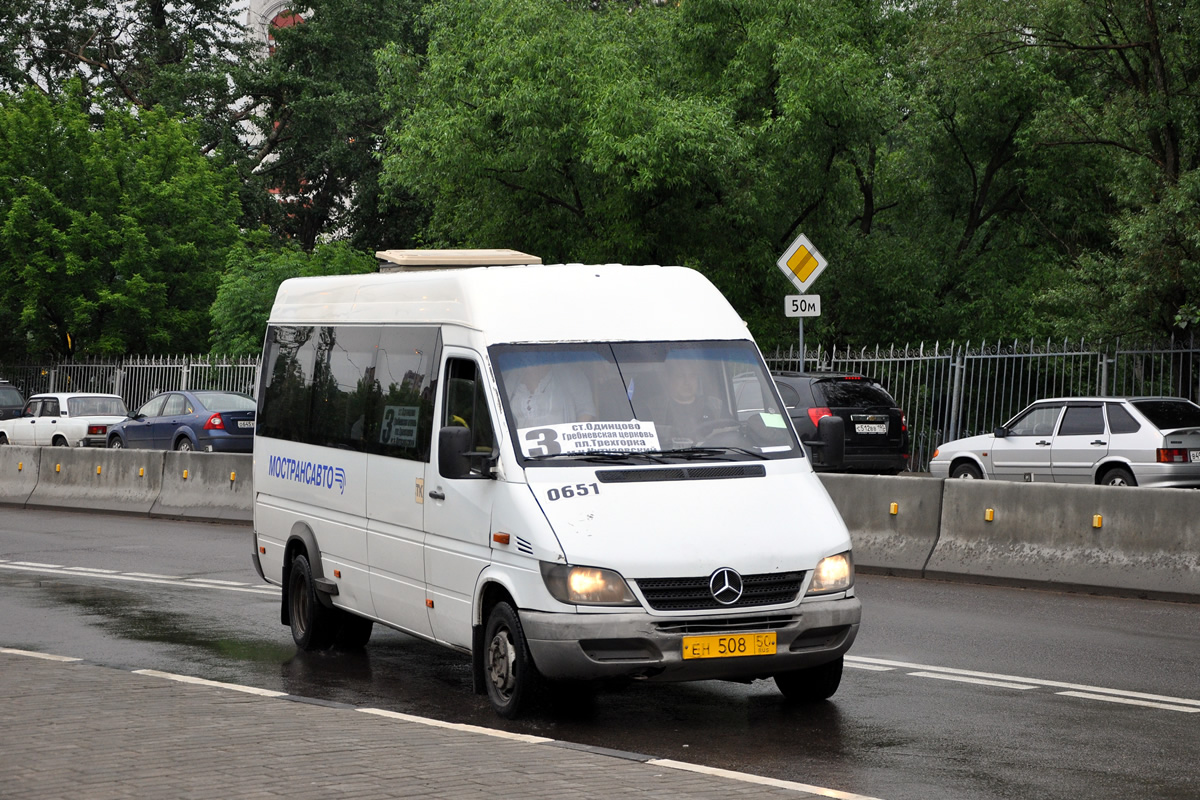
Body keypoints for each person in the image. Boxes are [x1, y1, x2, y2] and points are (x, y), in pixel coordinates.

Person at [506, 361, 597, 429]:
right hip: (518, 452)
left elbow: (586, 411)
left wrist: (573, 439)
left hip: (562, 451)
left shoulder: (569, 373)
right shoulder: (513, 377)